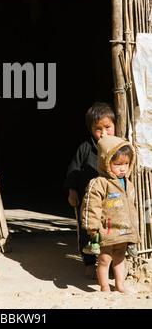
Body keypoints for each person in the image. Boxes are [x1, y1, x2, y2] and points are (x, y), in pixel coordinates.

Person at [81, 134, 139, 293]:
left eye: (126, 164)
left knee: (120, 258)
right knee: (104, 258)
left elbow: (131, 210)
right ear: (106, 162)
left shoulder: (129, 184)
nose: (123, 168)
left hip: (123, 230)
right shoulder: (100, 183)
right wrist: (91, 226)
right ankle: (104, 287)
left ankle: (120, 286)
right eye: (118, 164)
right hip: (106, 230)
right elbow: (91, 206)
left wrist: (134, 232)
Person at [64, 102, 116, 278]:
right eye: (97, 129)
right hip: (88, 202)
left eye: (108, 127)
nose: (103, 133)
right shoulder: (85, 148)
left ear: (115, 125)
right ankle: (88, 263)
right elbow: (74, 170)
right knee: (87, 232)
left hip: (110, 203)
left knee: (110, 232)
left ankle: (111, 264)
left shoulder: (119, 148)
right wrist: (73, 191)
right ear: (90, 129)